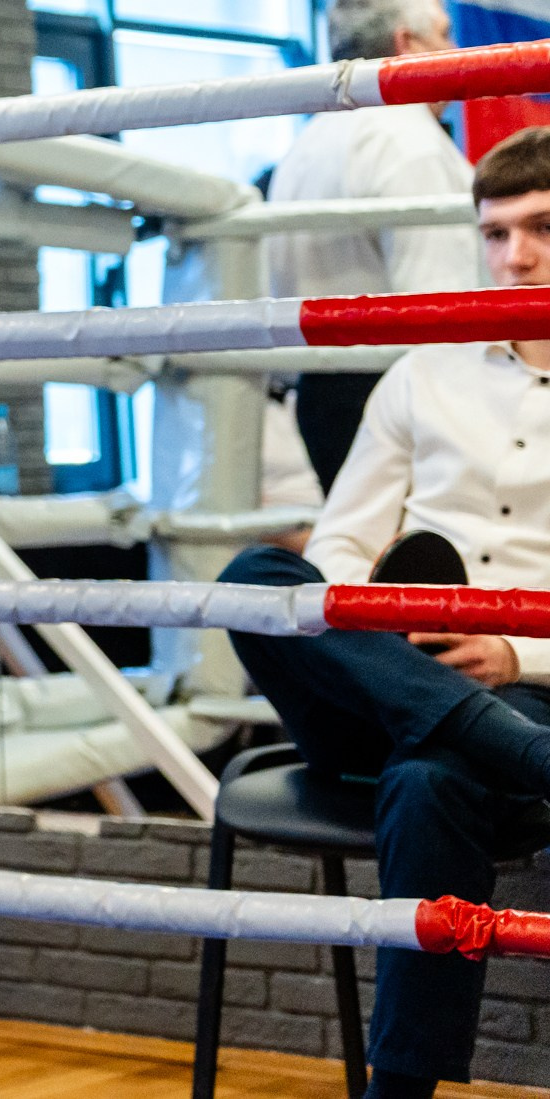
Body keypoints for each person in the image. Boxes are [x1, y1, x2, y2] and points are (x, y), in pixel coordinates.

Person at [225, 124, 550, 1099]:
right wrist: (390, 636)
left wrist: (514, 655)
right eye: (493, 234)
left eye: (538, 228)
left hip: (526, 695)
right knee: (252, 575)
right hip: (379, 685)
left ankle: (395, 1094)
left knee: (428, 780)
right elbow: (334, 553)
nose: (514, 256)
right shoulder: (422, 371)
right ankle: (505, 748)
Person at [267, 0, 480, 490]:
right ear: (407, 45)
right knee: (423, 561)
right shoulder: (410, 138)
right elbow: (440, 313)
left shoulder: (309, 141)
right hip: (400, 396)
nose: (457, 51)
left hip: (319, 396)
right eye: (445, 34)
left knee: (366, 557)